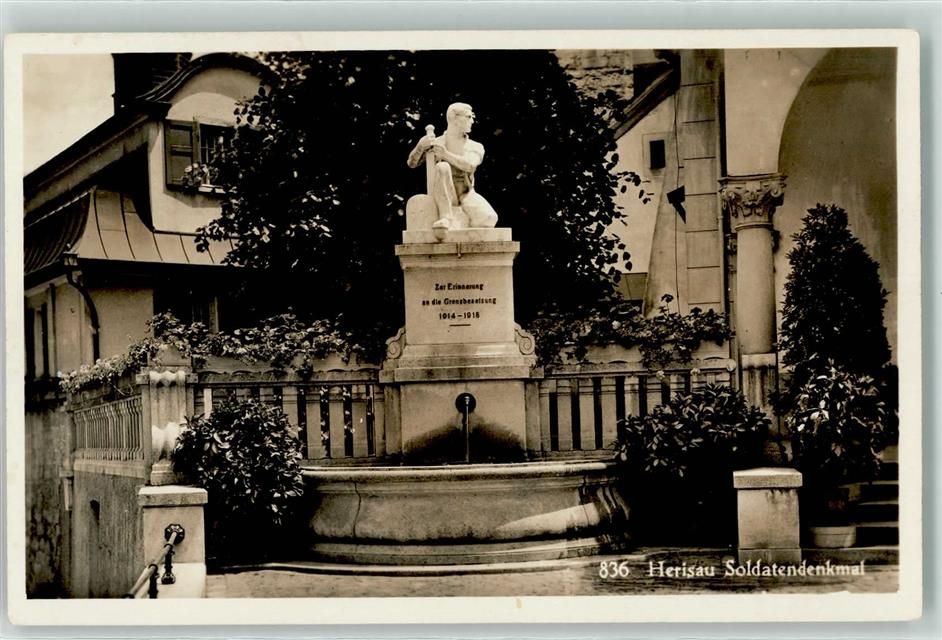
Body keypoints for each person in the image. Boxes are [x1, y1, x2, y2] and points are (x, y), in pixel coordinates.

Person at [407, 103, 498, 230]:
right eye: (468, 117)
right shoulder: (437, 143)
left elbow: (470, 165)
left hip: (466, 194)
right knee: (442, 166)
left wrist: (445, 154)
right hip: (442, 194)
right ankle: (446, 216)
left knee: (489, 218)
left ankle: (459, 222)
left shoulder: (474, 146)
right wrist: (420, 147)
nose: (472, 121)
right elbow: (412, 163)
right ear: (454, 118)